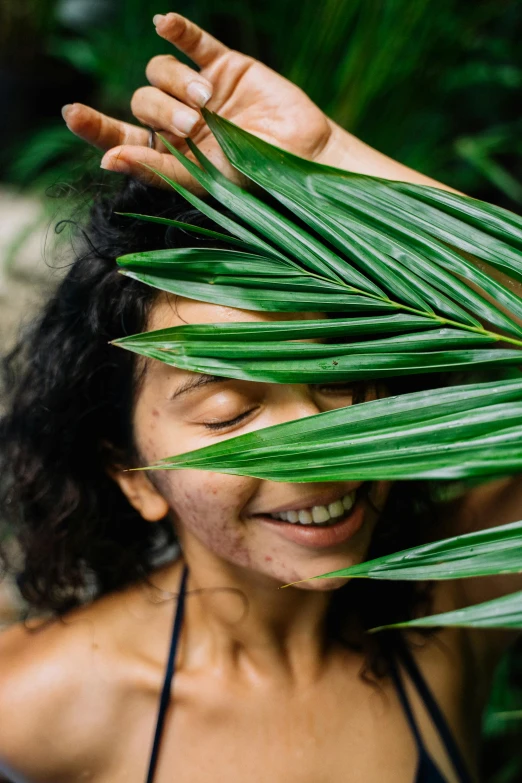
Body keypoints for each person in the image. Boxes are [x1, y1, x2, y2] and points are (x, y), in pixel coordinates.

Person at [0, 12, 521, 783]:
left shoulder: (445, 608)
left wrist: (330, 166)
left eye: (339, 378)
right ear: (133, 472)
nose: (315, 449)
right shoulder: (42, 698)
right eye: (230, 412)